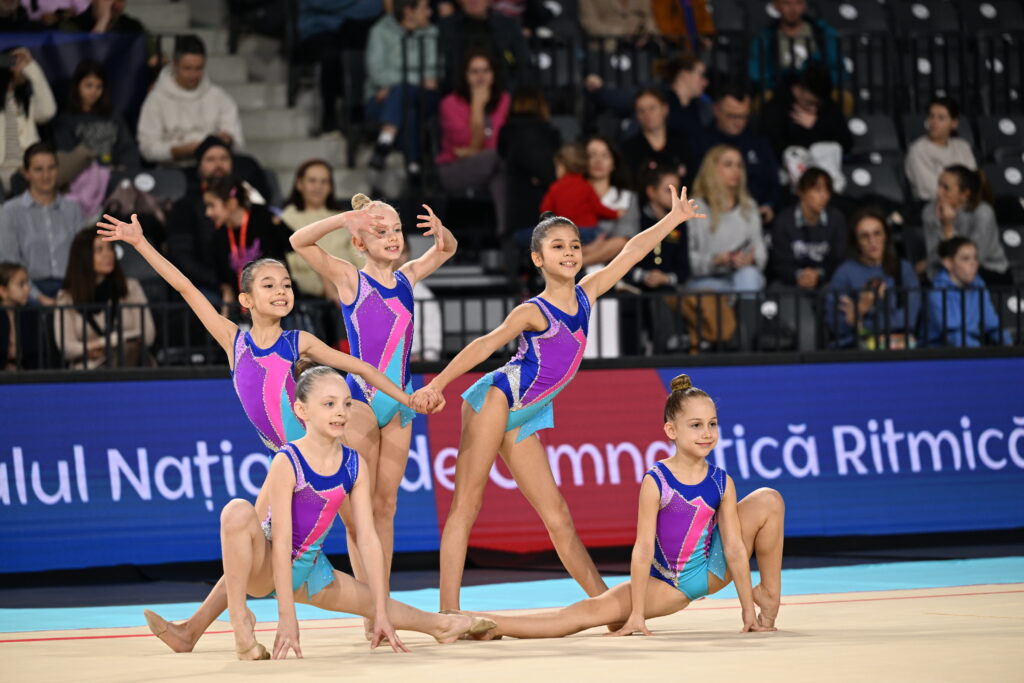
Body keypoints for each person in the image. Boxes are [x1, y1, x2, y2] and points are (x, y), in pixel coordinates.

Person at [95, 212, 431, 654]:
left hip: (322, 453)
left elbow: (361, 367)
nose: (282, 290)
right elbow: (185, 288)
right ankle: (191, 630)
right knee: (249, 551)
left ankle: (377, 621)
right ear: (246, 300)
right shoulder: (234, 342)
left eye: (287, 284)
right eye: (269, 285)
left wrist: (405, 399)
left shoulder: (298, 343)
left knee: (359, 528)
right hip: (287, 463)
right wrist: (140, 244)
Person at [411, 185, 705, 611]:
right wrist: (437, 383)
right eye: (557, 246)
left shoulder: (587, 295)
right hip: (498, 398)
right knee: (467, 504)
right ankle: (449, 614)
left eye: (575, 245)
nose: (569, 252)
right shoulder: (534, 310)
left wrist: (672, 220)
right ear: (538, 259)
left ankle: (609, 607)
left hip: (526, 415)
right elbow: (483, 345)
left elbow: (632, 251)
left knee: (559, 516)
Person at [466, 374, 783, 639]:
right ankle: (484, 623)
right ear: (672, 431)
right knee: (587, 612)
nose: (707, 433)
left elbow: (735, 549)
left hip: (713, 569)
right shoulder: (656, 480)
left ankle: (767, 596)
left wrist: (746, 611)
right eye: (696, 425)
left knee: (769, 499)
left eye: (712, 424)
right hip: (668, 583)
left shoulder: (720, 481)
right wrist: (638, 614)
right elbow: (643, 549)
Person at [215, 365, 495, 659]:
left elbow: (368, 537)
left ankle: (443, 626)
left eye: (346, 403)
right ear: (301, 410)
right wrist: (287, 616)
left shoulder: (353, 464)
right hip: (268, 568)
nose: (341, 412)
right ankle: (242, 627)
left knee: (389, 609)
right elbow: (282, 541)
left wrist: (381, 610)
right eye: (329, 404)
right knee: (236, 511)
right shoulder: (288, 460)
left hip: (312, 571)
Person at [289, 194, 456, 621]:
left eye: (396, 230)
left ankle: (381, 600)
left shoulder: (407, 277)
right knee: (357, 511)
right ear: (360, 244)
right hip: (361, 400)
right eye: (379, 232)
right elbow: (299, 241)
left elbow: (449, 249)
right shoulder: (350, 279)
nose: (392, 238)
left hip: (400, 400)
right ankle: (372, 609)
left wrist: (440, 231)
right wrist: (344, 219)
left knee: (385, 506)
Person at [165, 136, 269, 304]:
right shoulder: (185, 206)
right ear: (199, 166)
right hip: (208, 285)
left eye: (224, 158)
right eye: (211, 159)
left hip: (252, 281)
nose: (218, 164)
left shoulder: (249, 198)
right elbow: (182, 257)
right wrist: (223, 282)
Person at [53, 227, 154, 368]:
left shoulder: (131, 288)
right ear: (84, 257)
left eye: (109, 248)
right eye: (99, 250)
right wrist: (94, 348)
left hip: (133, 362)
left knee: (130, 350)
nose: (108, 254)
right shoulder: (66, 298)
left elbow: (148, 334)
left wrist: (102, 343)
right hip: (91, 369)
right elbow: (67, 347)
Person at [137, 35, 244, 164]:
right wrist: (179, 151)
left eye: (199, 68)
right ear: (175, 65)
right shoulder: (156, 99)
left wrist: (228, 140)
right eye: (187, 68)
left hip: (214, 169)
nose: (193, 75)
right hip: (173, 171)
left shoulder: (220, 97)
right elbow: (147, 149)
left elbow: (238, 143)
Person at [436, 49, 510, 234]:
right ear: (465, 76)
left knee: (499, 177)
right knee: (499, 160)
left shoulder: (504, 101)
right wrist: (477, 106)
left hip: (492, 168)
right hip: (456, 169)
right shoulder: (450, 104)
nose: (480, 77)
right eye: (474, 72)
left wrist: (472, 151)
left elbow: (498, 143)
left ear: (493, 76)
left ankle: (506, 237)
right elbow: (474, 145)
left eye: (485, 71)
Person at [826, 207, 920, 349]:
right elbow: (836, 326)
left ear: (886, 236)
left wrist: (859, 318)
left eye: (877, 233)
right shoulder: (844, 273)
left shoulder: (903, 269)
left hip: (898, 345)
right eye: (864, 236)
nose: (872, 241)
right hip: (856, 349)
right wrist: (861, 310)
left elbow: (909, 319)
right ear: (856, 241)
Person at [0, 142, 83, 303]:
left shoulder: (73, 209)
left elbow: (81, 257)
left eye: (51, 168)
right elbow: (9, 263)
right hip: (27, 289)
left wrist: (73, 291)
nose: (46, 175)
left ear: (58, 170)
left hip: (69, 287)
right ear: (26, 173)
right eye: (38, 169)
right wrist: (37, 296)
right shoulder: (10, 211)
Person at [365, 0, 439, 172]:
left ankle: (385, 140)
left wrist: (395, 86)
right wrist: (417, 81)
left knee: (401, 92)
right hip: (380, 102)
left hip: (419, 98)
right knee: (408, 110)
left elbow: (435, 73)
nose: (430, 12)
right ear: (408, 11)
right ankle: (413, 167)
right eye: (424, 8)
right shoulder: (380, 32)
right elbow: (377, 74)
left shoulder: (432, 33)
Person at [693, 83, 779, 223]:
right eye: (732, 116)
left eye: (744, 116)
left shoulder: (757, 142)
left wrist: (769, 205)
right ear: (716, 110)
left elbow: (773, 182)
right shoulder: (700, 143)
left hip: (754, 216)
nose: (738, 122)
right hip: (712, 217)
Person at [295, 0, 383, 134]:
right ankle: (329, 113)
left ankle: (360, 114)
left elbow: (376, 6)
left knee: (372, 47)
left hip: (353, 28)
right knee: (331, 56)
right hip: (318, 29)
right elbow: (320, 3)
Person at [686, 145, 766, 293]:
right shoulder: (694, 207)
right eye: (728, 165)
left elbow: (760, 251)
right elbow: (685, 257)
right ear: (712, 169)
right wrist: (715, 261)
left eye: (739, 165)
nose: (736, 171)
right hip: (704, 280)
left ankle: (747, 316)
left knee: (749, 276)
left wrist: (750, 260)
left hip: (741, 278)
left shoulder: (748, 206)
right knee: (709, 291)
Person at [281, 159, 364, 300]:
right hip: (309, 299)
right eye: (312, 181)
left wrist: (360, 286)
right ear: (299, 184)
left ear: (331, 187)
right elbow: (291, 267)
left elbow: (359, 257)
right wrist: (325, 286)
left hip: (353, 291)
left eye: (324, 181)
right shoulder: (286, 219)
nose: (318, 187)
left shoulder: (344, 217)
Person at [202, 176, 293, 303]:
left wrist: (274, 219)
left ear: (232, 203)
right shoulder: (219, 236)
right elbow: (224, 282)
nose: (208, 212)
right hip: (245, 309)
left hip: (279, 303)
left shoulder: (263, 218)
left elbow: (291, 244)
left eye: (211, 205)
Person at [920, 165, 1007, 283]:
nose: (939, 192)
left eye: (946, 188)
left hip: (988, 271)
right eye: (939, 185)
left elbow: (974, 259)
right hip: (948, 270)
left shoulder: (983, 212)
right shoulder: (930, 211)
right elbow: (933, 259)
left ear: (964, 194)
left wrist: (948, 229)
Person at [53, 59, 141, 173]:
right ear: (77, 86)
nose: (94, 91)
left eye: (99, 87)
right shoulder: (66, 120)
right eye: (88, 86)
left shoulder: (114, 117)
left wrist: (121, 170)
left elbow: (128, 150)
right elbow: (67, 157)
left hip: (115, 178)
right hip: (82, 181)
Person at [925, 237, 1010, 348]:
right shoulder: (937, 293)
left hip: (972, 350)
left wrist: (1012, 348)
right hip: (940, 355)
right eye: (965, 259)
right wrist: (980, 354)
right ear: (948, 263)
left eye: (975, 258)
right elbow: (952, 335)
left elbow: (993, 326)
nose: (973, 263)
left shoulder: (979, 286)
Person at [497, 86, 560, 235]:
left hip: (516, 213)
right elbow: (551, 174)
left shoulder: (508, 132)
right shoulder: (547, 133)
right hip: (545, 214)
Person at [769, 167, 845, 288]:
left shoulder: (836, 219)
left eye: (827, 190)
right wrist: (798, 275)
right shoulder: (783, 220)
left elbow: (839, 260)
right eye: (817, 190)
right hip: (791, 283)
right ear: (801, 191)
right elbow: (779, 263)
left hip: (825, 282)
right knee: (776, 289)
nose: (824, 196)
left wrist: (819, 274)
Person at [748, 0, 840, 96]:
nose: (793, 9)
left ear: (805, 6)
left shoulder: (822, 32)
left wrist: (815, 85)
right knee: (766, 97)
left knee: (842, 97)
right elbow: (757, 72)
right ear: (776, 6)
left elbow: (835, 65)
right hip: (779, 91)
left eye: (799, 3)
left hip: (818, 89)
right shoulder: (765, 38)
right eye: (786, 3)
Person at [758, 66, 851, 159]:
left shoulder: (827, 106)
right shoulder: (776, 107)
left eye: (818, 105)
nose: (814, 109)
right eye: (810, 103)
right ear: (798, 90)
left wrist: (817, 125)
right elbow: (774, 148)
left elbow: (846, 143)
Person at [437, 0, 530, 90]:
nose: (473, 1)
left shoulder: (509, 26)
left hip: (503, 94)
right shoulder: (446, 28)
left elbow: (522, 66)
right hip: (456, 95)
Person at [0, 47, 57, 194]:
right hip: (1, 171)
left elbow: (48, 111)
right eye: (16, 62)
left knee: (22, 181)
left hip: (25, 171)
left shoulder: (28, 103)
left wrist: (32, 67)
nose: (23, 67)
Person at [580, 136, 639, 269]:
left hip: (613, 275)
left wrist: (578, 263)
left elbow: (622, 242)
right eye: (592, 155)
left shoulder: (627, 198)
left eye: (605, 155)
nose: (598, 161)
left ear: (614, 163)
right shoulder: (570, 193)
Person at [905, 98, 976, 203]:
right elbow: (929, 190)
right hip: (933, 205)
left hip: (965, 202)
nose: (934, 122)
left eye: (941, 118)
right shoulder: (918, 150)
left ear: (954, 123)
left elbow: (973, 181)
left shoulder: (963, 146)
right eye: (931, 116)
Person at [539, 143, 620, 235]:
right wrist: (615, 213)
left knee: (522, 236)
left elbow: (545, 210)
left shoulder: (555, 187)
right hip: (589, 231)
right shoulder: (585, 186)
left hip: (567, 231)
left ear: (563, 166)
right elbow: (598, 208)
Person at [621, 88, 694, 185]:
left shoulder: (682, 142)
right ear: (636, 115)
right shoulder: (629, 149)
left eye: (652, 108)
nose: (647, 114)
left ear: (665, 109)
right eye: (641, 110)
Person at [0, 261, 32, 369]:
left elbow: (37, 353)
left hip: (26, 373)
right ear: (3, 291)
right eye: (21, 284)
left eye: (27, 283)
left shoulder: (29, 314)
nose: (27, 289)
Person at [579, 0, 657, 38]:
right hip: (605, 49)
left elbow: (658, 21)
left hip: (646, 47)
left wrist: (642, 31)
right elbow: (590, 24)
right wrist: (622, 33)